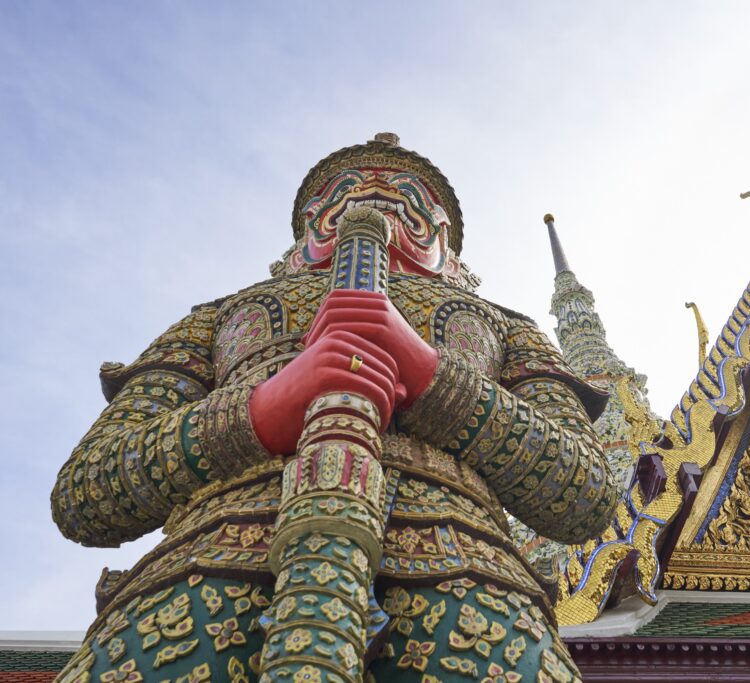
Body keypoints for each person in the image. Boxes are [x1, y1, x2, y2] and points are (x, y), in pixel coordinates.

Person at [52, 133, 620, 683]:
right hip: (203, 569)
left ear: (444, 239)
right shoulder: (220, 317)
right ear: (307, 227)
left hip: (467, 580)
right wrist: (258, 412)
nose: (374, 202)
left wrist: (430, 377)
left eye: (411, 203)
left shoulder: (505, 328)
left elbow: (585, 493)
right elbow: (87, 491)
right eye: (343, 195)